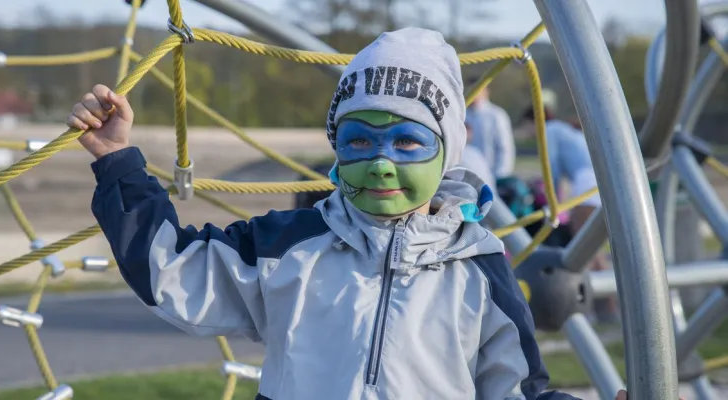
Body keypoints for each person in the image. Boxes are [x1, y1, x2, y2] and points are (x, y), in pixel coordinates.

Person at [68, 28, 635, 400]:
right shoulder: (290, 245)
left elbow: (516, 391)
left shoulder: (479, 270)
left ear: (448, 152)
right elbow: (172, 270)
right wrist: (119, 162)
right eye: (359, 141)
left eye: (408, 143)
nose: (382, 164)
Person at [519, 103, 619, 324]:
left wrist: (552, 206)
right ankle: (605, 307)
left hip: (586, 186)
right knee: (591, 250)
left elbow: (551, 168)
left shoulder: (551, 130)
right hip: (595, 183)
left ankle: (594, 307)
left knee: (583, 249)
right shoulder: (565, 129)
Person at [464, 76, 516, 179]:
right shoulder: (463, 115)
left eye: (477, 90)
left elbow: (505, 148)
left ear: (486, 91)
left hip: (492, 176)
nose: (474, 94)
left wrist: (500, 176)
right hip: (468, 177)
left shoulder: (496, 115)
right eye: (471, 90)